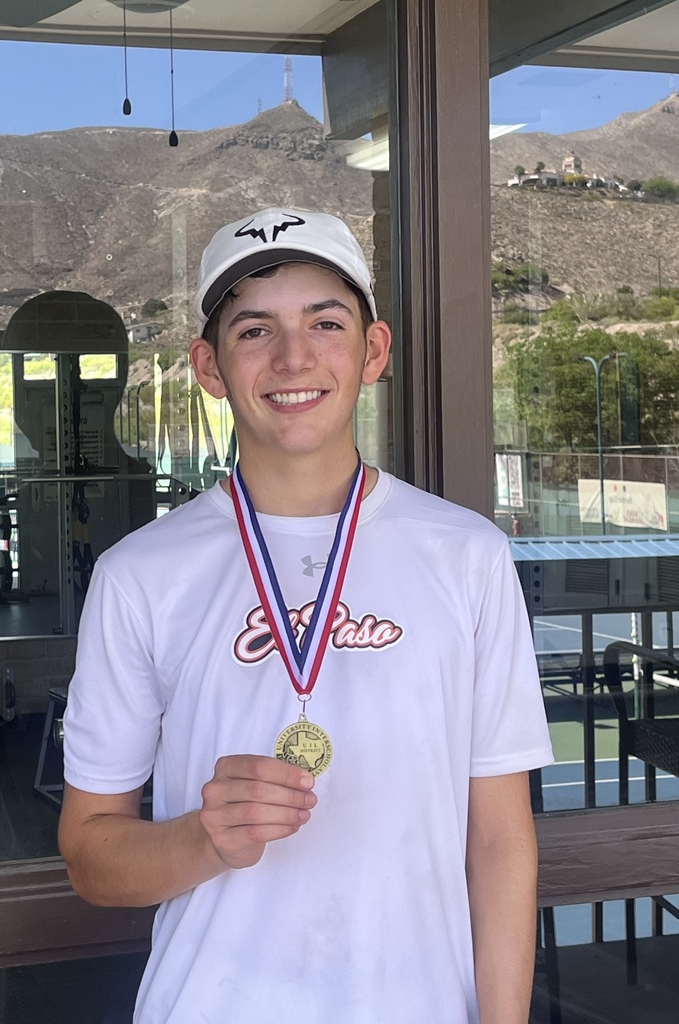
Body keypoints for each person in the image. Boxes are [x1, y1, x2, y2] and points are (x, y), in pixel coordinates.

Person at [59, 207, 554, 1024]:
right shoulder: (140, 576)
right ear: (209, 367)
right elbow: (90, 855)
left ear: (373, 350)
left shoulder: (467, 555)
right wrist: (202, 839)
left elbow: (500, 841)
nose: (294, 357)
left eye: (325, 322)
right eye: (254, 330)